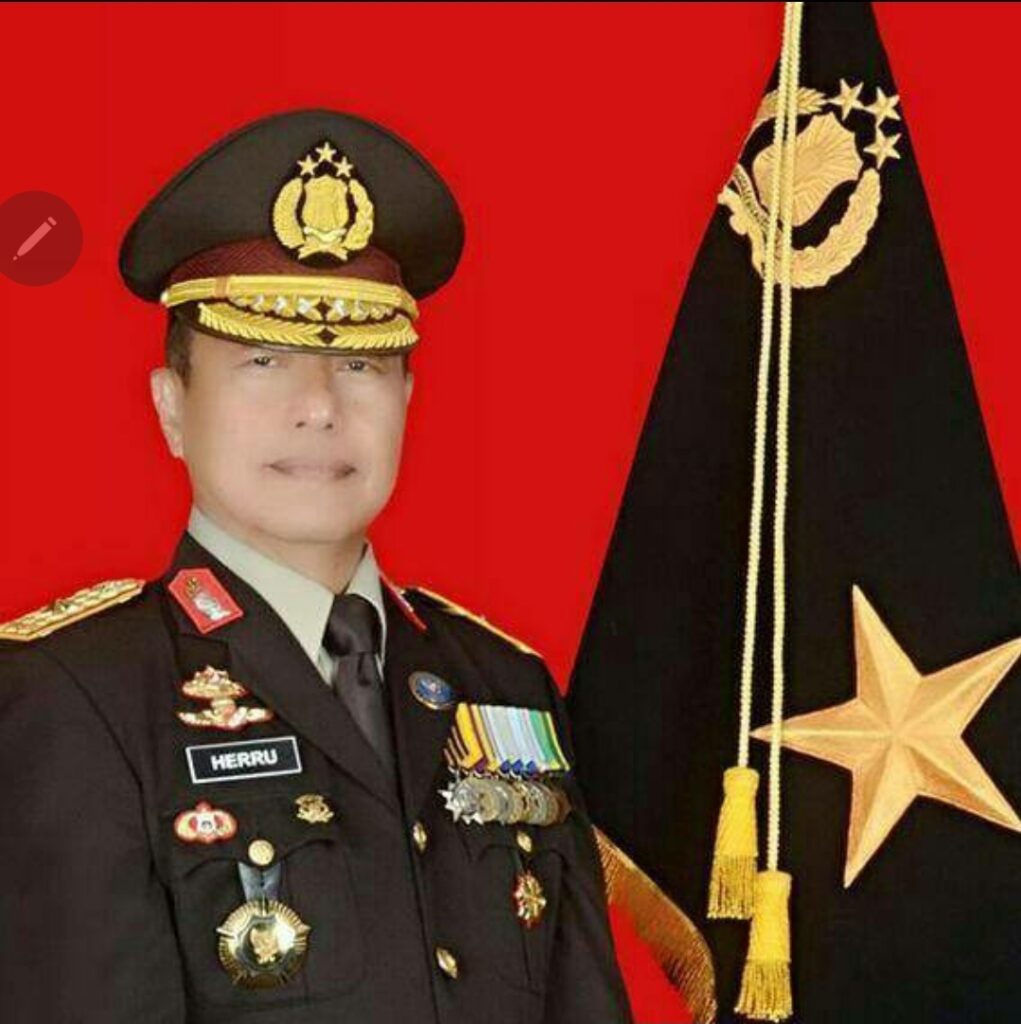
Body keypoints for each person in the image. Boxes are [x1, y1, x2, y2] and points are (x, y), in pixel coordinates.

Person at [0, 108, 635, 1024]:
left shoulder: (502, 683)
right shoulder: (74, 694)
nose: (319, 408)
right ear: (171, 407)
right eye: (263, 360)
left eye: (361, 368)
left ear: (408, 395)